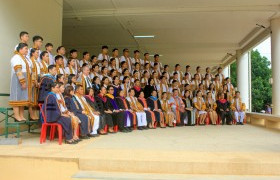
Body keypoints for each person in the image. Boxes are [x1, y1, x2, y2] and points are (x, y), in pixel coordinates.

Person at [10, 43, 33, 121]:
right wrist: (22, 81)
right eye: (25, 48)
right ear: (20, 49)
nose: (27, 50)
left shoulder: (25, 58)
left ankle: (21, 115)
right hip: (18, 79)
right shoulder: (16, 57)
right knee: (17, 97)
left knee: (23, 98)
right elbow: (18, 70)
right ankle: (16, 116)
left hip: (26, 78)